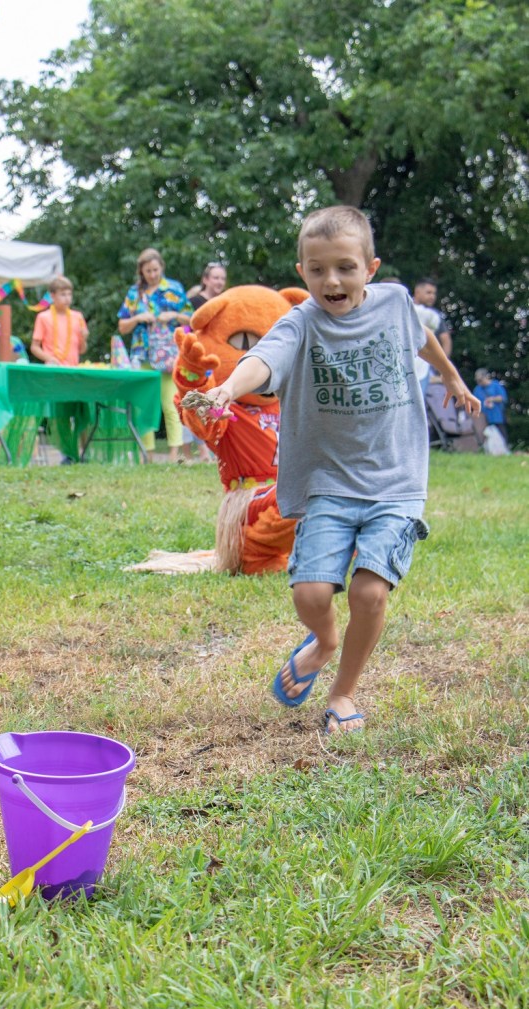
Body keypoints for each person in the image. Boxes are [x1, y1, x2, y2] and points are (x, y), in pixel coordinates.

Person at [203, 205, 480, 733]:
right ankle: (324, 641)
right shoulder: (301, 322)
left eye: (345, 268)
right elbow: (263, 360)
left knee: (370, 592)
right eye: (317, 268)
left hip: (395, 481)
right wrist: (225, 389)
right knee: (310, 594)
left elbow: (419, 337)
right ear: (302, 271)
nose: (332, 280)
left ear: (369, 269)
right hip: (328, 482)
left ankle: (344, 692)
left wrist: (450, 377)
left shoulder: (397, 302)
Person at [117, 247, 192, 462]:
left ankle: (174, 454)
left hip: (168, 356)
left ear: (162, 267)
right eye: (148, 271)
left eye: (155, 270)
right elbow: (122, 326)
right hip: (142, 355)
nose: (152, 275)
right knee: (144, 406)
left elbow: (192, 319)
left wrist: (175, 314)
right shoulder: (134, 293)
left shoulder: (174, 289)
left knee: (171, 403)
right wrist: (138, 318)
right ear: (141, 271)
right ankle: (147, 454)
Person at [31, 276, 88, 366]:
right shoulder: (43, 317)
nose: (67, 298)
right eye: (63, 294)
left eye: (69, 294)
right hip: (52, 368)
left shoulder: (78, 317)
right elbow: (34, 347)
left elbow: (82, 350)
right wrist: (50, 358)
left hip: (72, 369)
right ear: (52, 296)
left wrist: (84, 339)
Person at [413, 278, 453, 356]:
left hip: (427, 365)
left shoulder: (435, 315)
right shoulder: (406, 309)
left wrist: (441, 365)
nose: (432, 296)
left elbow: (446, 340)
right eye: (429, 293)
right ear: (417, 292)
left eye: (434, 293)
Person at [473, 368, 509, 444]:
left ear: (486, 377)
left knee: (502, 435)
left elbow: (502, 398)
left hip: (497, 417)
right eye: (477, 381)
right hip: (484, 419)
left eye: (480, 380)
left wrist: (492, 399)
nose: (479, 382)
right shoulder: (477, 389)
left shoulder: (496, 385)